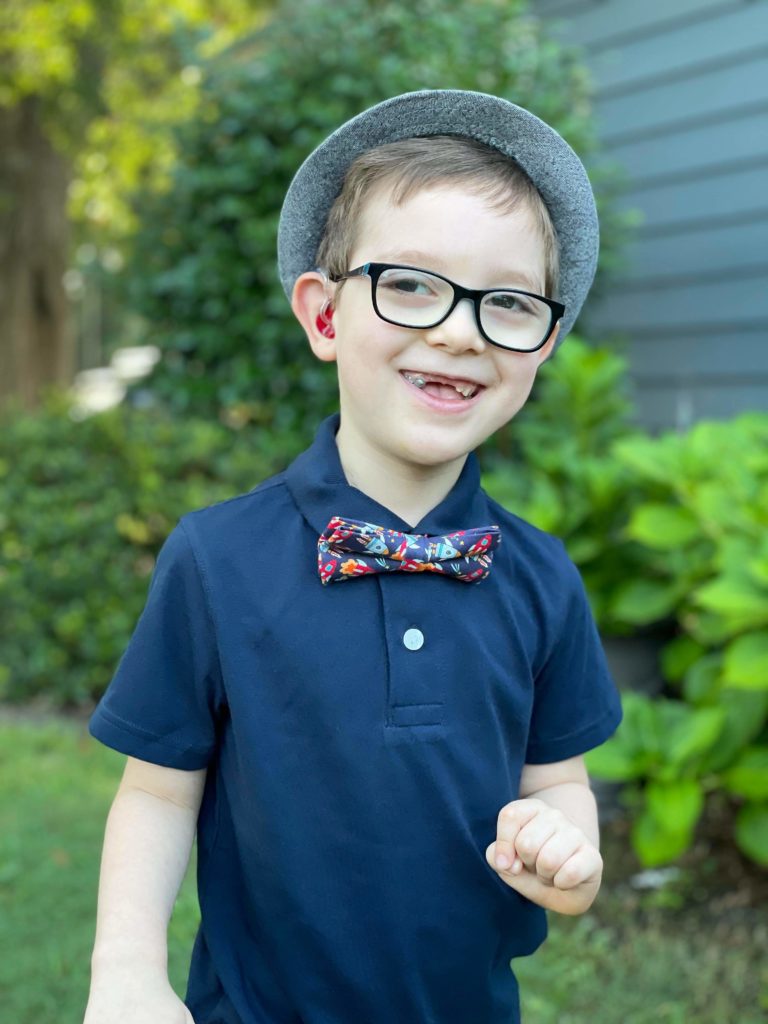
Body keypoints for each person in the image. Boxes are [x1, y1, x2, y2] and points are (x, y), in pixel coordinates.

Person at [83, 89, 623, 1024]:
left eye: (507, 301)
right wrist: (126, 972)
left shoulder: (540, 578)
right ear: (326, 317)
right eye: (411, 284)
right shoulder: (217, 559)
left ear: (542, 344)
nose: (459, 330)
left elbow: (559, 783)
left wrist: (567, 852)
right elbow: (159, 798)